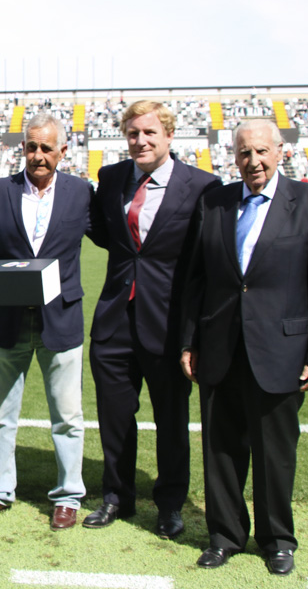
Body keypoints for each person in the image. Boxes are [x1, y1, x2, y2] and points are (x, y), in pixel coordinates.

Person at [180, 120, 308, 576]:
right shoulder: (215, 203)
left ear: (280, 151)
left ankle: (276, 541)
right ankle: (224, 535)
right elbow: (197, 280)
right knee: (221, 449)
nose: (254, 161)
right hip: (219, 347)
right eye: (245, 153)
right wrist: (189, 341)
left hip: (281, 352)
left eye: (262, 152)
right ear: (235, 156)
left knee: (275, 453)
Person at [84, 100, 222, 536]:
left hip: (168, 324)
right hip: (114, 319)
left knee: (171, 421)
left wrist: (194, 334)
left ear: (168, 136)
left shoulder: (203, 186)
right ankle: (117, 497)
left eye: (149, 134)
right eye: (132, 134)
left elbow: (205, 264)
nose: (140, 141)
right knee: (114, 416)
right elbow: (108, 237)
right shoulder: (110, 178)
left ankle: (169, 505)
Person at [0, 114, 93, 531]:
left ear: (62, 151)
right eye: (31, 147)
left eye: (46, 147)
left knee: (68, 417)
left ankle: (69, 495)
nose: (38, 155)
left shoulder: (81, 193)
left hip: (61, 320)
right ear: (22, 148)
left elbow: (113, 238)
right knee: (0, 415)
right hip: (7, 319)